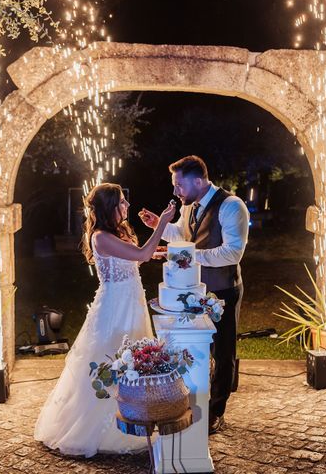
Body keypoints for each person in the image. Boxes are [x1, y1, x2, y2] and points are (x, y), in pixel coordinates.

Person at [34, 182, 176, 457]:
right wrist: (162, 224)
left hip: (131, 303)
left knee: (134, 361)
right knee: (113, 359)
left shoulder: (117, 232)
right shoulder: (100, 236)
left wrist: (161, 252)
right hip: (115, 309)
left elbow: (135, 259)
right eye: (122, 202)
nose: (127, 206)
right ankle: (105, 429)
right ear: (110, 206)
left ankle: (135, 414)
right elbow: (141, 254)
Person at [139, 156, 249, 435]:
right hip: (193, 291)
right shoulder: (190, 206)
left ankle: (217, 411)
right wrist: (160, 227)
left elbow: (232, 252)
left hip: (223, 289)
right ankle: (195, 398)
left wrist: (187, 256)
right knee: (197, 348)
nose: (176, 192)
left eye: (179, 185)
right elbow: (183, 234)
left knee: (223, 352)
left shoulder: (232, 206)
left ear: (198, 181)